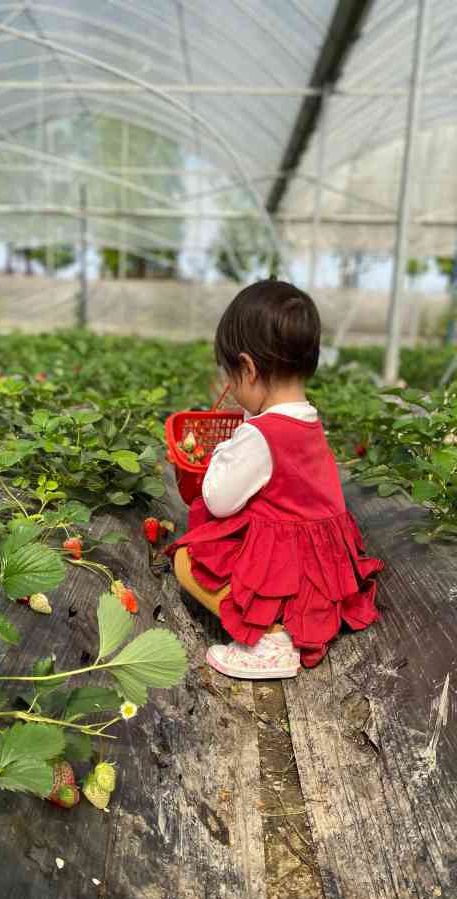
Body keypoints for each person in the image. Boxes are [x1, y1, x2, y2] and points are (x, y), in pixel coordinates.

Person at [168, 280, 384, 679]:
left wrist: (220, 453)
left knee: (189, 562)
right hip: (324, 570)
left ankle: (270, 639)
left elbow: (218, 500)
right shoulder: (308, 420)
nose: (230, 387)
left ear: (248, 369)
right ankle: (298, 618)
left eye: (231, 376)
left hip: (284, 570)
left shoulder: (259, 436)